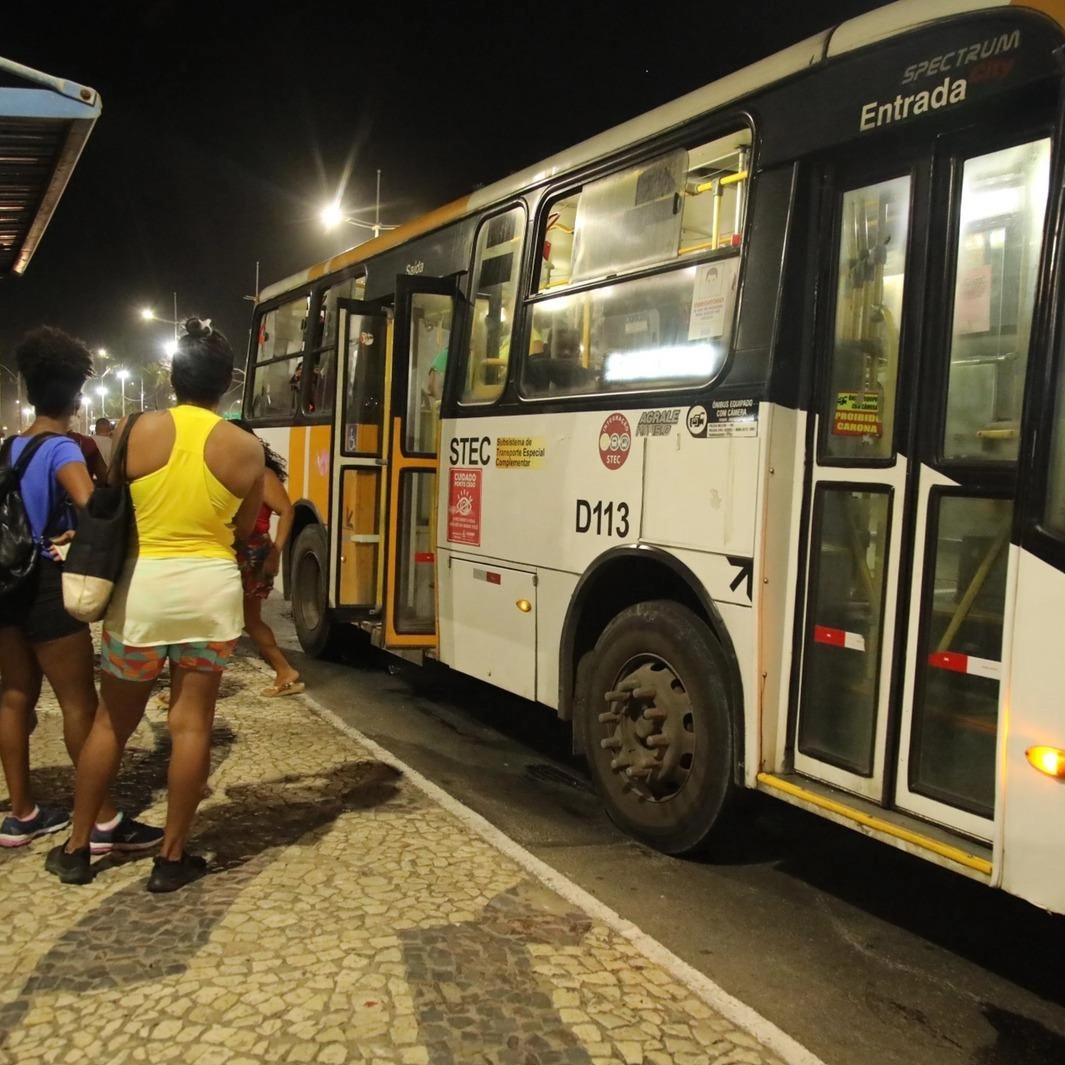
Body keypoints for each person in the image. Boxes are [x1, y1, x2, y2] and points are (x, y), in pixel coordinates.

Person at [46, 317, 265, 892]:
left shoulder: (135, 427)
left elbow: (112, 502)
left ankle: (76, 848)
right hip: (210, 595)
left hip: (143, 593)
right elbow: (243, 531)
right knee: (192, 726)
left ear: (173, 378)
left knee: (112, 724)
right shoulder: (248, 448)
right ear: (226, 383)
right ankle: (171, 859)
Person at [0, 327, 161, 854]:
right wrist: (75, 529)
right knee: (77, 703)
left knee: (15, 695)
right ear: (73, 396)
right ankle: (105, 820)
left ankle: (20, 813)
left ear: (28, 389)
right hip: (46, 583)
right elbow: (94, 505)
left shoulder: (8, 447)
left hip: (4, 583)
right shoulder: (60, 447)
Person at [231, 420, 302, 697]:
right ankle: (285, 671)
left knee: (233, 617)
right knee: (246, 619)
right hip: (239, 549)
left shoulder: (262, 473)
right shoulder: (235, 469)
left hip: (251, 551)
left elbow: (287, 511)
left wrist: (276, 552)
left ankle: (188, 687)